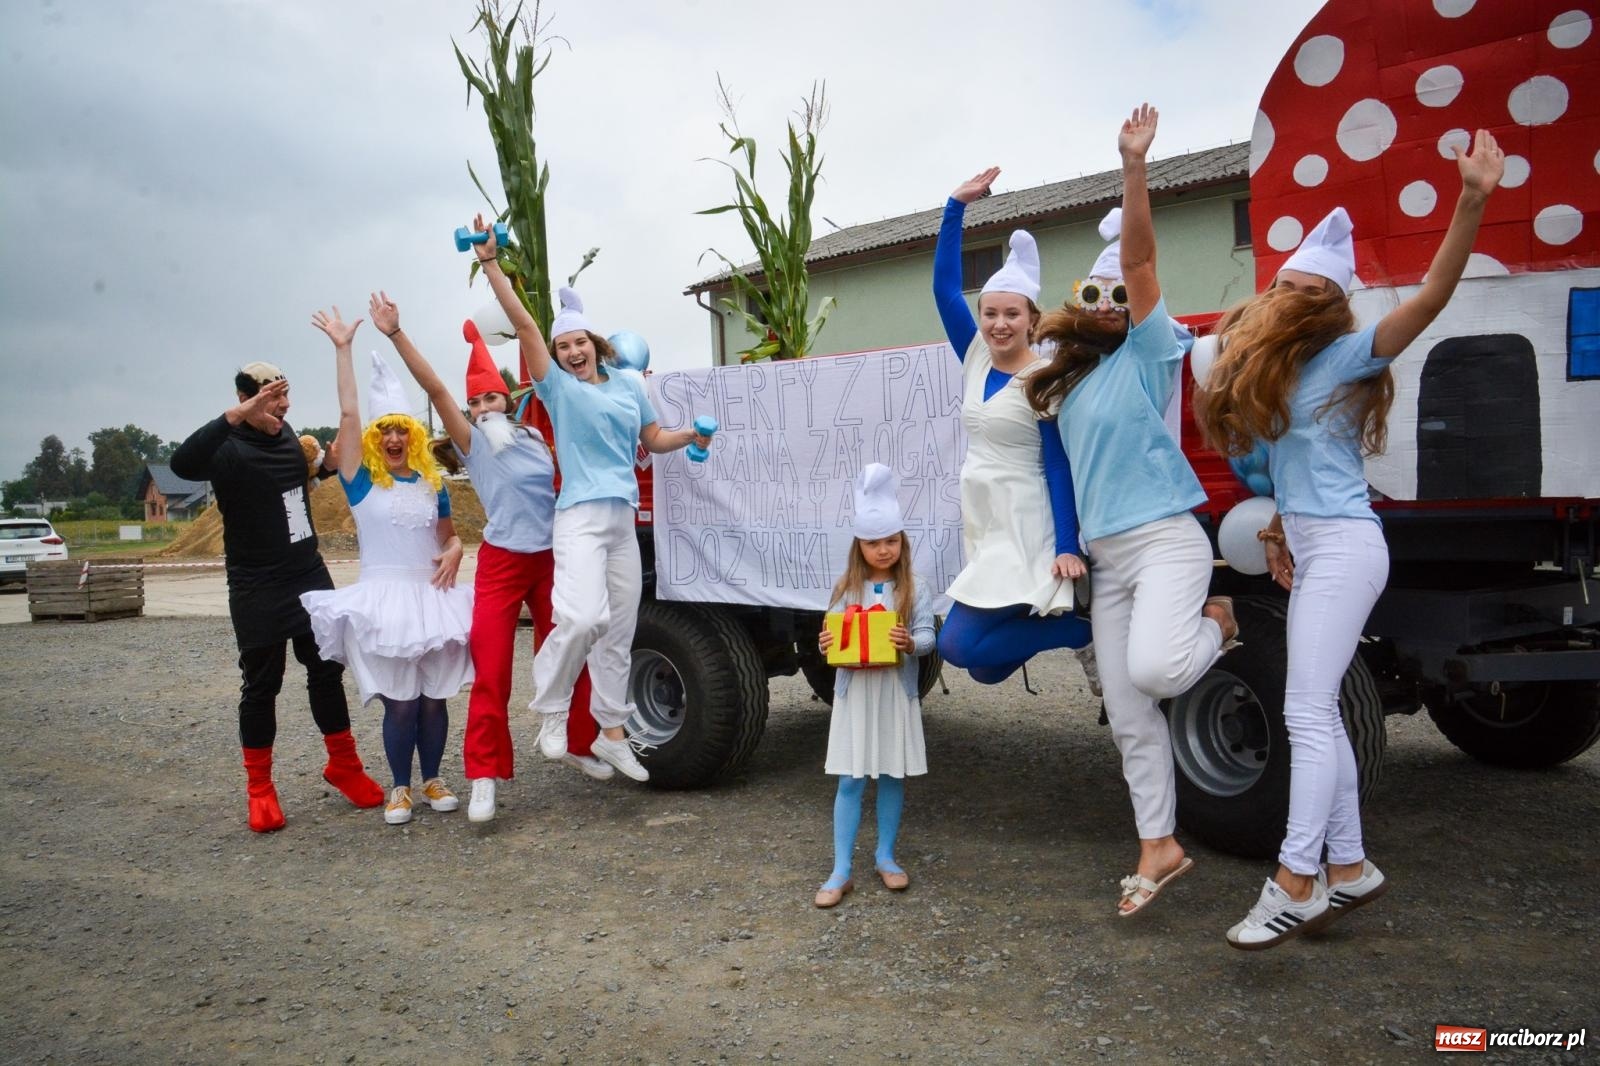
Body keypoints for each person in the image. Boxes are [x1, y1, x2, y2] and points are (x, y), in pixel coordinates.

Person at [1195, 130, 1505, 949]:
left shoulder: (1344, 353)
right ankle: (1352, 868)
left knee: (1303, 709)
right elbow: (1281, 475)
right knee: (1319, 712)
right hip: (1313, 541)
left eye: (1297, 286)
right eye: (1280, 283)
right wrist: (1278, 531)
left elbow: (1431, 298)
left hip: (1346, 546)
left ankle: (1297, 879)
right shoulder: (1286, 370)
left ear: (1324, 302)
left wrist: (1470, 199)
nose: (1278, 295)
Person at [1024, 104, 1236, 916]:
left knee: (1154, 669)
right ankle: (1160, 845)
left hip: (1167, 545)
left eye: (1123, 294)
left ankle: (1222, 621)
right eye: (1098, 292)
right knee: (1128, 713)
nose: (1113, 301)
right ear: (1081, 301)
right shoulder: (1071, 381)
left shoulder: (1151, 354)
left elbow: (1143, 260)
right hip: (1110, 563)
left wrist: (1135, 167)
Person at [472, 216, 710, 782]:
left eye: (579, 342)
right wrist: (490, 265)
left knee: (619, 633)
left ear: (596, 344)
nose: (572, 350)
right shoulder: (557, 387)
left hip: (621, 520)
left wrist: (691, 439)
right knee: (580, 617)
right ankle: (552, 710)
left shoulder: (630, 385)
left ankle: (610, 733)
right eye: (562, 346)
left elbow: (652, 438)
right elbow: (525, 324)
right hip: (577, 517)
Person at [372, 293, 612, 825]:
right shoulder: (474, 444)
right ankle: (483, 777)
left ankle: (580, 742)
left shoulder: (540, 438)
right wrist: (394, 333)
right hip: (503, 563)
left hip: (554, 559)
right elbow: (434, 386)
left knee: (576, 648)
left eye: (488, 401)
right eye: (473, 404)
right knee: (492, 671)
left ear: (507, 400)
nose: (481, 411)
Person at [170, 361, 385, 832]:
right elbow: (181, 465)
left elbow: (299, 487)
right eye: (272, 398)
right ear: (247, 400)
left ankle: (344, 766)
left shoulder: (288, 437)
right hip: (256, 583)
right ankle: (260, 789)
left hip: (307, 573)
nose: (284, 406)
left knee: (327, 671)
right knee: (262, 685)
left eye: (286, 397)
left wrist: (327, 467)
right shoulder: (225, 448)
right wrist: (236, 414)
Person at [301, 308, 475, 826]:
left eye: (401, 430)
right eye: (385, 432)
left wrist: (457, 548)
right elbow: (349, 414)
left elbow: (445, 538)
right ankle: (399, 786)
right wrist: (342, 348)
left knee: (434, 701)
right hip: (385, 600)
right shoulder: (359, 480)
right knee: (400, 703)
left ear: (413, 436)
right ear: (375, 439)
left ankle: (433, 779)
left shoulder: (433, 483)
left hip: (433, 597)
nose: (393, 439)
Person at [931, 172, 1094, 687]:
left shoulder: (1042, 380)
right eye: (990, 313)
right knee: (984, 669)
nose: (999, 323)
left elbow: (1057, 463)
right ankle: (1069, 628)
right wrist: (954, 207)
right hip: (984, 519)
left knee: (956, 645)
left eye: (1011, 314)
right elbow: (942, 288)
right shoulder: (976, 355)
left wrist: (1068, 545)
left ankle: (1081, 632)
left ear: (1031, 319)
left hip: (1024, 521)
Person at [813, 464, 936, 908]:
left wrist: (910, 643)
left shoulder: (915, 587)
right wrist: (827, 641)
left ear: (901, 542)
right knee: (850, 778)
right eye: (872, 543)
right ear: (858, 546)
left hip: (893, 693)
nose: (882, 550)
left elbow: (928, 637)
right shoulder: (847, 587)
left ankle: (886, 854)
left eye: (890, 541)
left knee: (890, 774)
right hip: (856, 695)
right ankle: (841, 867)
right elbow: (831, 640)